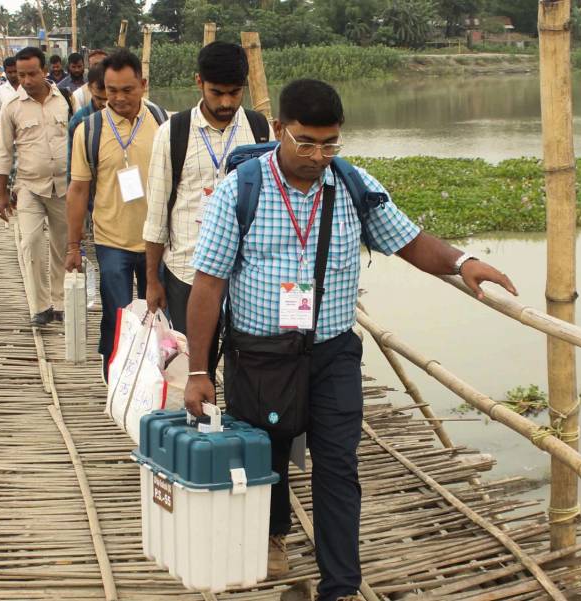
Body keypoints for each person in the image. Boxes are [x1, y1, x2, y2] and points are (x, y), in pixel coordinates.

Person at [183, 79, 518, 601]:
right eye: (306, 142)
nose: (319, 156)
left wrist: (461, 262)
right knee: (266, 456)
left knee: (338, 464)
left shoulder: (352, 185)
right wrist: (198, 371)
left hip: (332, 352)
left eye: (330, 143)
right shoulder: (240, 190)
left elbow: (408, 240)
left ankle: (339, 584)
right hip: (261, 354)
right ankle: (272, 534)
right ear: (278, 131)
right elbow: (208, 284)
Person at [143, 41, 271, 362]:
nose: (226, 102)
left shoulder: (258, 129)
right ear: (199, 82)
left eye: (235, 92)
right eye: (217, 93)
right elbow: (157, 214)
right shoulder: (173, 133)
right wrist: (151, 281)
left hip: (246, 274)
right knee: (194, 366)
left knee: (247, 363)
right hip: (188, 271)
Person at [65, 49, 163, 381]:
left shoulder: (164, 124)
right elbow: (78, 190)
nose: (118, 98)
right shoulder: (88, 131)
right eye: (111, 90)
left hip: (158, 241)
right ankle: (116, 379)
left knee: (159, 316)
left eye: (127, 89)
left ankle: (153, 379)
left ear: (143, 85)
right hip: (112, 241)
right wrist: (72, 246)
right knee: (119, 314)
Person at [0, 46, 76, 327]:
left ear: (45, 71)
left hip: (64, 185)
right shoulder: (12, 107)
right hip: (28, 185)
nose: (26, 80)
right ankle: (39, 306)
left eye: (32, 74)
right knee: (30, 242)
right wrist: (1, 193)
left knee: (61, 245)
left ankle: (60, 302)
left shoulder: (66, 100)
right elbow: (4, 151)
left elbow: (78, 140)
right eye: (21, 75)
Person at [0, 56, 21, 123]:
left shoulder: (28, 88)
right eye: (9, 72)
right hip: (7, 129)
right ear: (5, 72)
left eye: (15, 71)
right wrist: (6, 118)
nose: (13, 75)